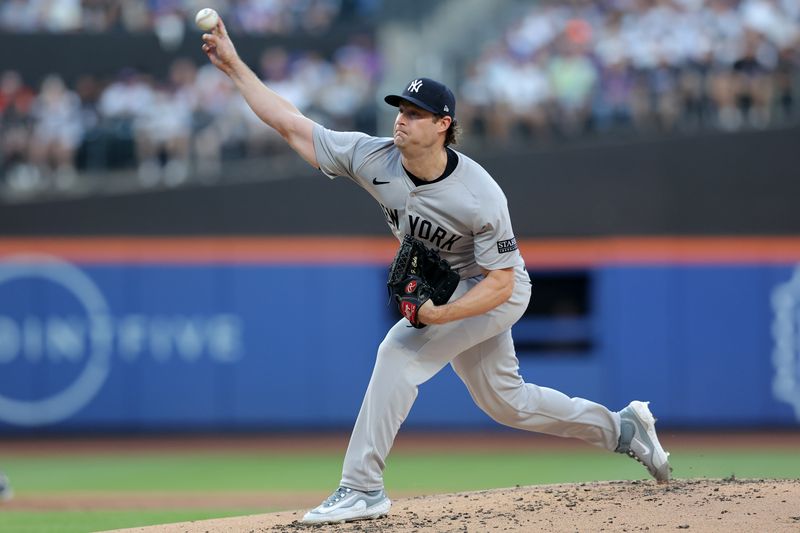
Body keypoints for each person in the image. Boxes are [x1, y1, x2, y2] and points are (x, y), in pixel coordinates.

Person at [200, 18, 672, 525]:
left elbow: (502, 282)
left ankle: (362, 487)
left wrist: (440, 315)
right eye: (400, 110)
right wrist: (233, 66)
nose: (401, 120)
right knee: (505, 402)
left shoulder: (479, 195)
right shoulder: (373, 156)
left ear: (443, 124)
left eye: (416, 114)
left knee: (397, 352)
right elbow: (290, 122)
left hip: (494, 288)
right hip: (454, 290)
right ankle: (622, 429)